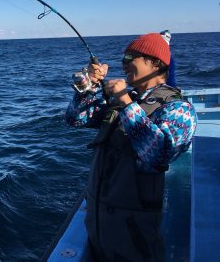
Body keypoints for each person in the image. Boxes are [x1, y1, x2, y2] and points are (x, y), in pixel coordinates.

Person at [65, 32, 197, 262]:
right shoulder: (124, 101)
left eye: (130, 58)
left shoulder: (180, 110)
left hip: (135, 238)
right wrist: (89, 85)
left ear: (154, 62)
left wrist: (126, 102)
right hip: (99, 227)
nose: (123, 65)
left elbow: (158, 154)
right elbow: (76, 118)